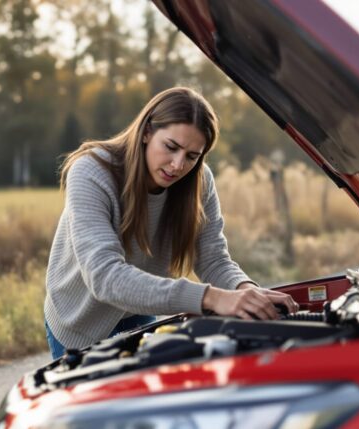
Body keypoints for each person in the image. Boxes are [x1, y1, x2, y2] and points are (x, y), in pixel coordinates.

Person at [44, 87, 298, 359]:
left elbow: (213, 259)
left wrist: (246, 292)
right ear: (146, 132)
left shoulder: (199, 181)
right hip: (80, 323)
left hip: (139, 309)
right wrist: (213, 298)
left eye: (192, 156)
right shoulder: (92, 171)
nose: (178, 165)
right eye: (171, 147)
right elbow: (105, 277)